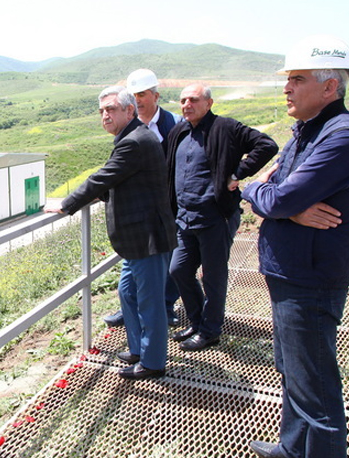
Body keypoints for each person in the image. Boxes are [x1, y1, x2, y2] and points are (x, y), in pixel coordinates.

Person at [242, 35, 349, 458]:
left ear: (330, 87)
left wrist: (256, 190)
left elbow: (276, 195)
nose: (286, 88)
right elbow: (283, 195)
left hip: (310, 279)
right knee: (294, 373)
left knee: (316, 392)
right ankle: (293, 448)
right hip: (289, 271)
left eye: (297, 79)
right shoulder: (308, 130)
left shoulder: (345, 138)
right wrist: (282, 203)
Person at [47, 86, 176, 380]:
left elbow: (102, 178)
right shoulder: (132, 137)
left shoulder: (134, 141)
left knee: (150, 301)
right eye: (102, 111)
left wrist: (66, 204)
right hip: (137, 239)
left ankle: (153, 363)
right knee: (127, 291)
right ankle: (138, 348)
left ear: (129, 111)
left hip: (148, 238)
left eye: (111, 109)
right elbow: (122, 181)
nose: (105, 115)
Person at [166, 83, 278, 351]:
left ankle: (210, 330)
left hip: (215, 217)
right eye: (183, 100)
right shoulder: (179, 131)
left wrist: (238, 173)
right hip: (185, 218)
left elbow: (266, 145)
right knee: (178, 270)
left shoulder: (225, 128)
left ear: (209, 103)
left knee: (213, 276)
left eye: (193, 99)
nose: (186, 105)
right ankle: (196, 321)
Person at [104, 68, 182, 329]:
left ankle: (166, 306)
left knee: (167, 261)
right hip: (139, 210)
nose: (137, 100)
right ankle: (131, 310)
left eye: (142, 94)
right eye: (133, 95)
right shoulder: (127, 128)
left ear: (156, 95)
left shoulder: (174, 124)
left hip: (168, 204)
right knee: (136, 267)